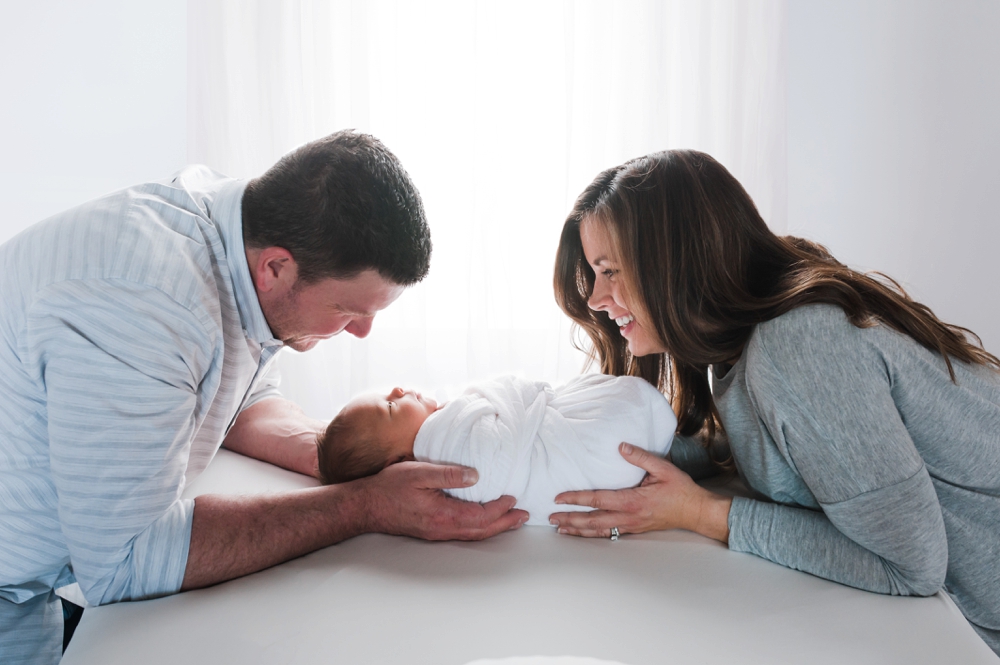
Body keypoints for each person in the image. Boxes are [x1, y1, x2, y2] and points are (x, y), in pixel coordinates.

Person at [0, 130, 526, 664]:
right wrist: (364, 506)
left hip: (38, 580)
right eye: (349, 310)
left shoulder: (235, 232)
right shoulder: (150, 307)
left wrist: (343, 457)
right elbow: (126, 562)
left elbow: (234, 401)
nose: (362, 332)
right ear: (275, 267)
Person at [549, 149, 1000, 654]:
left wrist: (700, 513)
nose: (595, 299)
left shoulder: (798, 346)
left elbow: (911, 565)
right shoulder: (746, 342)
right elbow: (770, 443)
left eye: (609, 270)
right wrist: (594, 445)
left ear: (675, 263)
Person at [317, 374, 677, 524]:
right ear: (398, 462)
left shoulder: (449, 427)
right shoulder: (440, 447)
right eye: (389, 407)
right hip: (583, 454)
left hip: (567, 443)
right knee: (615, 423)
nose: (397, 390)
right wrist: (517, 392)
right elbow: (498, 458)